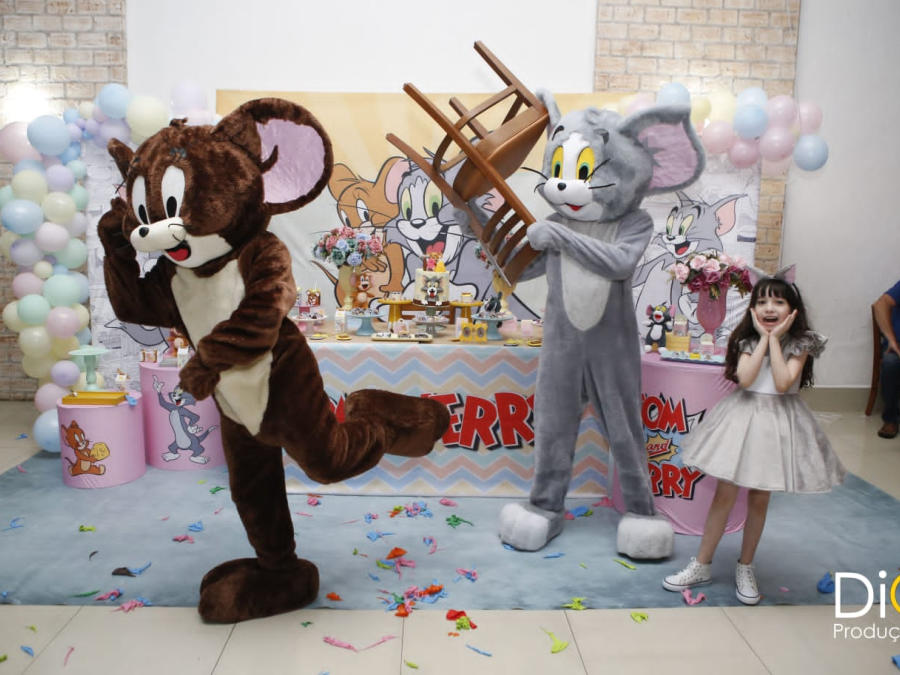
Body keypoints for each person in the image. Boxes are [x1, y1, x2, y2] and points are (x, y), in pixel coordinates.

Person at [661, 272, 846, 605]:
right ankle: (702, 563)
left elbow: (783, 383)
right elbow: (746, 380)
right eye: (762, 302)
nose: (769, 308)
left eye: (778, 301)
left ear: (793, 309)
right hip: (743, 419)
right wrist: (762, 338)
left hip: (778, 424)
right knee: (724, 494)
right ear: (752, 309)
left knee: (759, 498)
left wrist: (775, 340)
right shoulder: (747, 340)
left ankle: (745, 566)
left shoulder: (802, 343)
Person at [872, 280, 900, 439]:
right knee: (890, 363)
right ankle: (890, 419)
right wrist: (891, 340)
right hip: (897, 346)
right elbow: (880, 305)